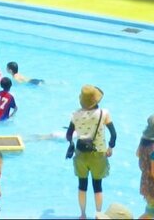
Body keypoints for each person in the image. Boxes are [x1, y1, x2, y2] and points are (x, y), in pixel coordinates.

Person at [66, 84, 116, 219]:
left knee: (82, 185)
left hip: (81, 153)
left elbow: (69, 135)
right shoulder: (104, 113)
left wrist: (71, 144)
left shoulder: (75, 114)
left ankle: (82, 215)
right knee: (97, 186)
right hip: (99, 153)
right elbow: (114, 134)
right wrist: (110, 147)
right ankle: (98, 214)